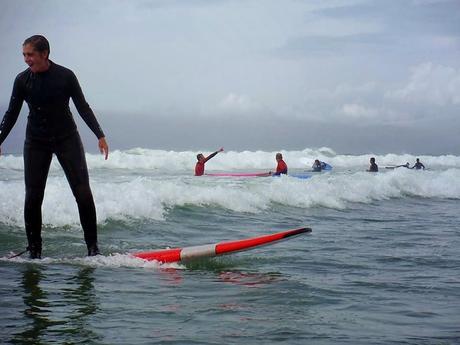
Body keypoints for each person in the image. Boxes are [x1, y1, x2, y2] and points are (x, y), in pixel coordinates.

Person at [0, 35, 109, 259]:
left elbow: (82, 107)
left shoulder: (65, 76)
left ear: (44, 54)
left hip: (66, 138)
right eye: (24, 54)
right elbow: (11, 113)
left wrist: (99, 134)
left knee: (82, 193)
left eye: (30, 54)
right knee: (33, 196)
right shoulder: (22, 80)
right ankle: (34, 250)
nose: (26, 59)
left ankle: (93, 249)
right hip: (36, 141)